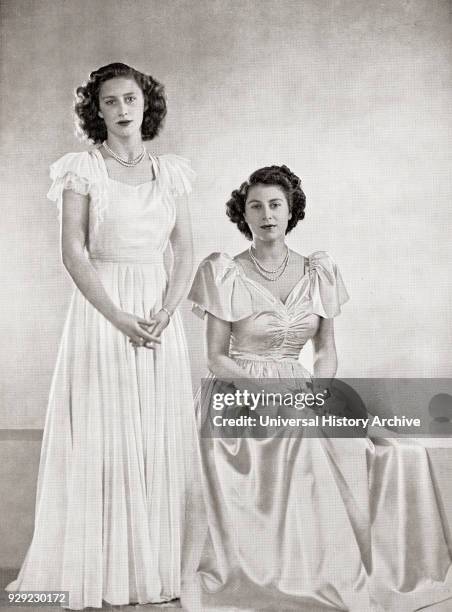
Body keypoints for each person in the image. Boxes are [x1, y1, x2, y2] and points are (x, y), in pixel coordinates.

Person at [186, 165, 452, 611]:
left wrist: (316, 391)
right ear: (242, 214)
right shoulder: (223, 271)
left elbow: (326, 349)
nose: (267, 214)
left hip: (304, 387)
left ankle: (370, 565)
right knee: (302, 438)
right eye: (256, 206)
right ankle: (305, 576)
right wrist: (274, 395)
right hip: (240, 396)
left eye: (276, 205)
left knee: (388, 452)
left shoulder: (319, 270)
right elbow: (216, 358)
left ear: (292, 212)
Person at [7, 63, 195, 609]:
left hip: (159, 312)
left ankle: (151, 568)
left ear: (146, 103)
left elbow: (184, 249)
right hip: (101, 309)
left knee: (153, 431)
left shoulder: (172, 173)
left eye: (129, 98)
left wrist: (166, 310)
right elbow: (73, 251)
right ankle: (101, 570)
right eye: (109, 101)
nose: (121, 109)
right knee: (103, 431)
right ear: (97, 110)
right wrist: (118, 316)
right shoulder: (80, 170)